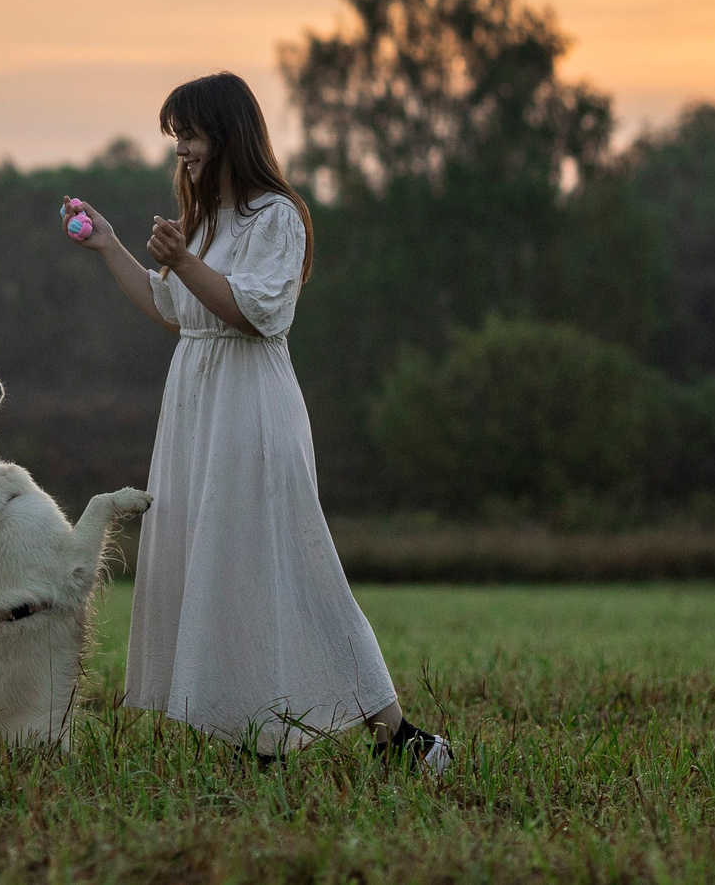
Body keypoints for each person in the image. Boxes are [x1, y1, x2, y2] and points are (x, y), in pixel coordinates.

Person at [61, 71, 452, 772]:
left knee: (296, 568)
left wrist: (183, 260)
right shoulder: (206, 221)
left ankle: (399, 736)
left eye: (192, 135)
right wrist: (111, 246)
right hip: (197, 406)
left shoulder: (277, 217)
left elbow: (256, 312)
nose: (181, 150)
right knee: (222, 568)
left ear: (229, 136)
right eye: (175, 137)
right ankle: (262, 737)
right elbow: (171, 311)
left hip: (251, 408)